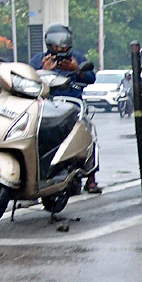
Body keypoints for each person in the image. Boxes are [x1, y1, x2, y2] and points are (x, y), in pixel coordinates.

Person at [30, 24, 101, 194]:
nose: (60, 49)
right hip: (47, 106)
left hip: (73, 106)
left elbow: (91, 77)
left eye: (63, 45)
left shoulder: (76, 58)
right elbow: (29, 78)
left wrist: (76, 70)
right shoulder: (39, 59)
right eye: (56, 46)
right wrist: (43, 71)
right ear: (49, 44)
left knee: (88, 132)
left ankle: (91, 179)